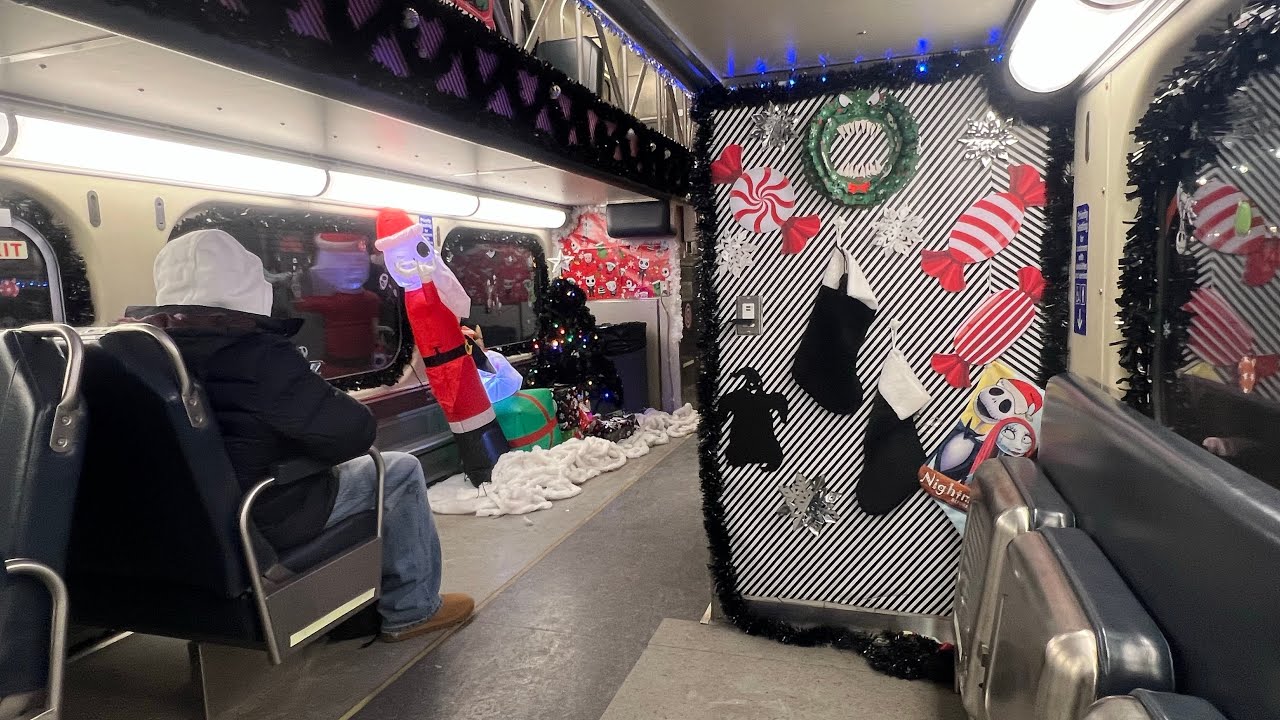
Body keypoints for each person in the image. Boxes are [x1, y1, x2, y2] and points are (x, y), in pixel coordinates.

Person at [124, 229, 473, 642]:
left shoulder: (146, 353)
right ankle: (413, 610)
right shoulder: (258, 357)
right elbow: (354, 433)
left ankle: (362, 600)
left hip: (180, 520)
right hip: (264, 511)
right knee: (398, 469)